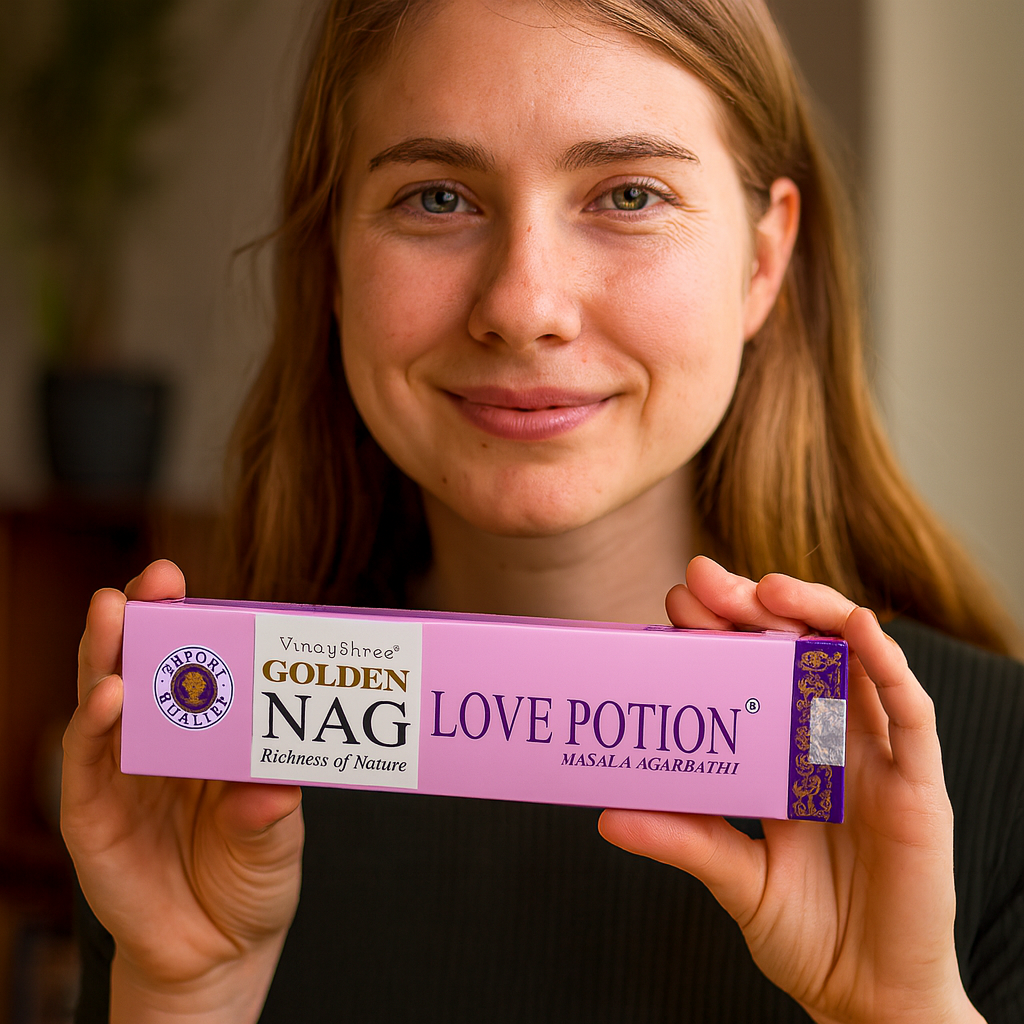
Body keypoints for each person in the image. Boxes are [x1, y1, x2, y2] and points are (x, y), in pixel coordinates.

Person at [62, 0, 1024, 1021]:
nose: (523, 306)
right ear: (330, 258)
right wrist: (183, 995)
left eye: (629, 195)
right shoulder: (199, 773)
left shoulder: (994, 772)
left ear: (763, 258)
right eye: (437, 197)